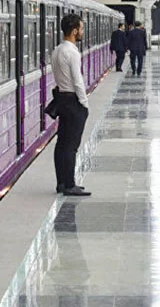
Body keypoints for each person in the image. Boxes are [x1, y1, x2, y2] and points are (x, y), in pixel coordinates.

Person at [51, 14, 91, 196]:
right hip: (73, 101)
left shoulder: (57, 50)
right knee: (71, 146)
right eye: (81, 29)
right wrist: (84, 103)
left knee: (61, 143)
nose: (82, 32)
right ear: (74, 31)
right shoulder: (72, 52)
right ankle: (70, 184)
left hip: (61, 99)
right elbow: (78, 80)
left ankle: (61, 182)